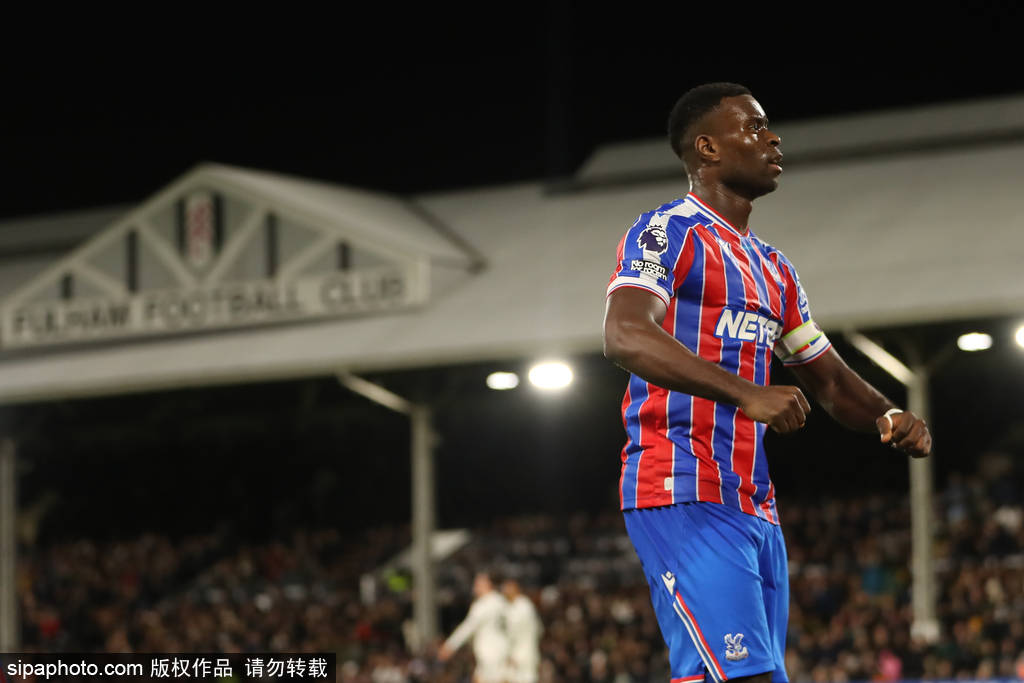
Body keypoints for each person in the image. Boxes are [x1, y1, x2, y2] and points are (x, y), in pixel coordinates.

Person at [602, 82, 932, 683]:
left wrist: (886, 415)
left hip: (755, 503)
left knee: (728, 674)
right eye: (754, 127)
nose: (773, 138)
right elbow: (625, 334)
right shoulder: (666, 232)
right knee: (748, 676)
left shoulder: (774, 268)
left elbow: (829, 381)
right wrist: (746, 392)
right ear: (707, 148)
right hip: (680, 484)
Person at [438, 571, 509, 683]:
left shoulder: (482, 605)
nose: (474, 587)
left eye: (477, 584)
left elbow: (468, 627)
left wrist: (449, 646)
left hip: (488, 653)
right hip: (503, 651)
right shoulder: (502, 602)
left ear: (488, 584)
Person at [501, 578, 542, 683]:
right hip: (522, 652)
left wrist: (514, 654)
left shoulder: (523, 606)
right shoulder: (517, 605)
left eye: (507, 587)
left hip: (523, 653)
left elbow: (514, 632)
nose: (504, 590)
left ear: (515, 588)